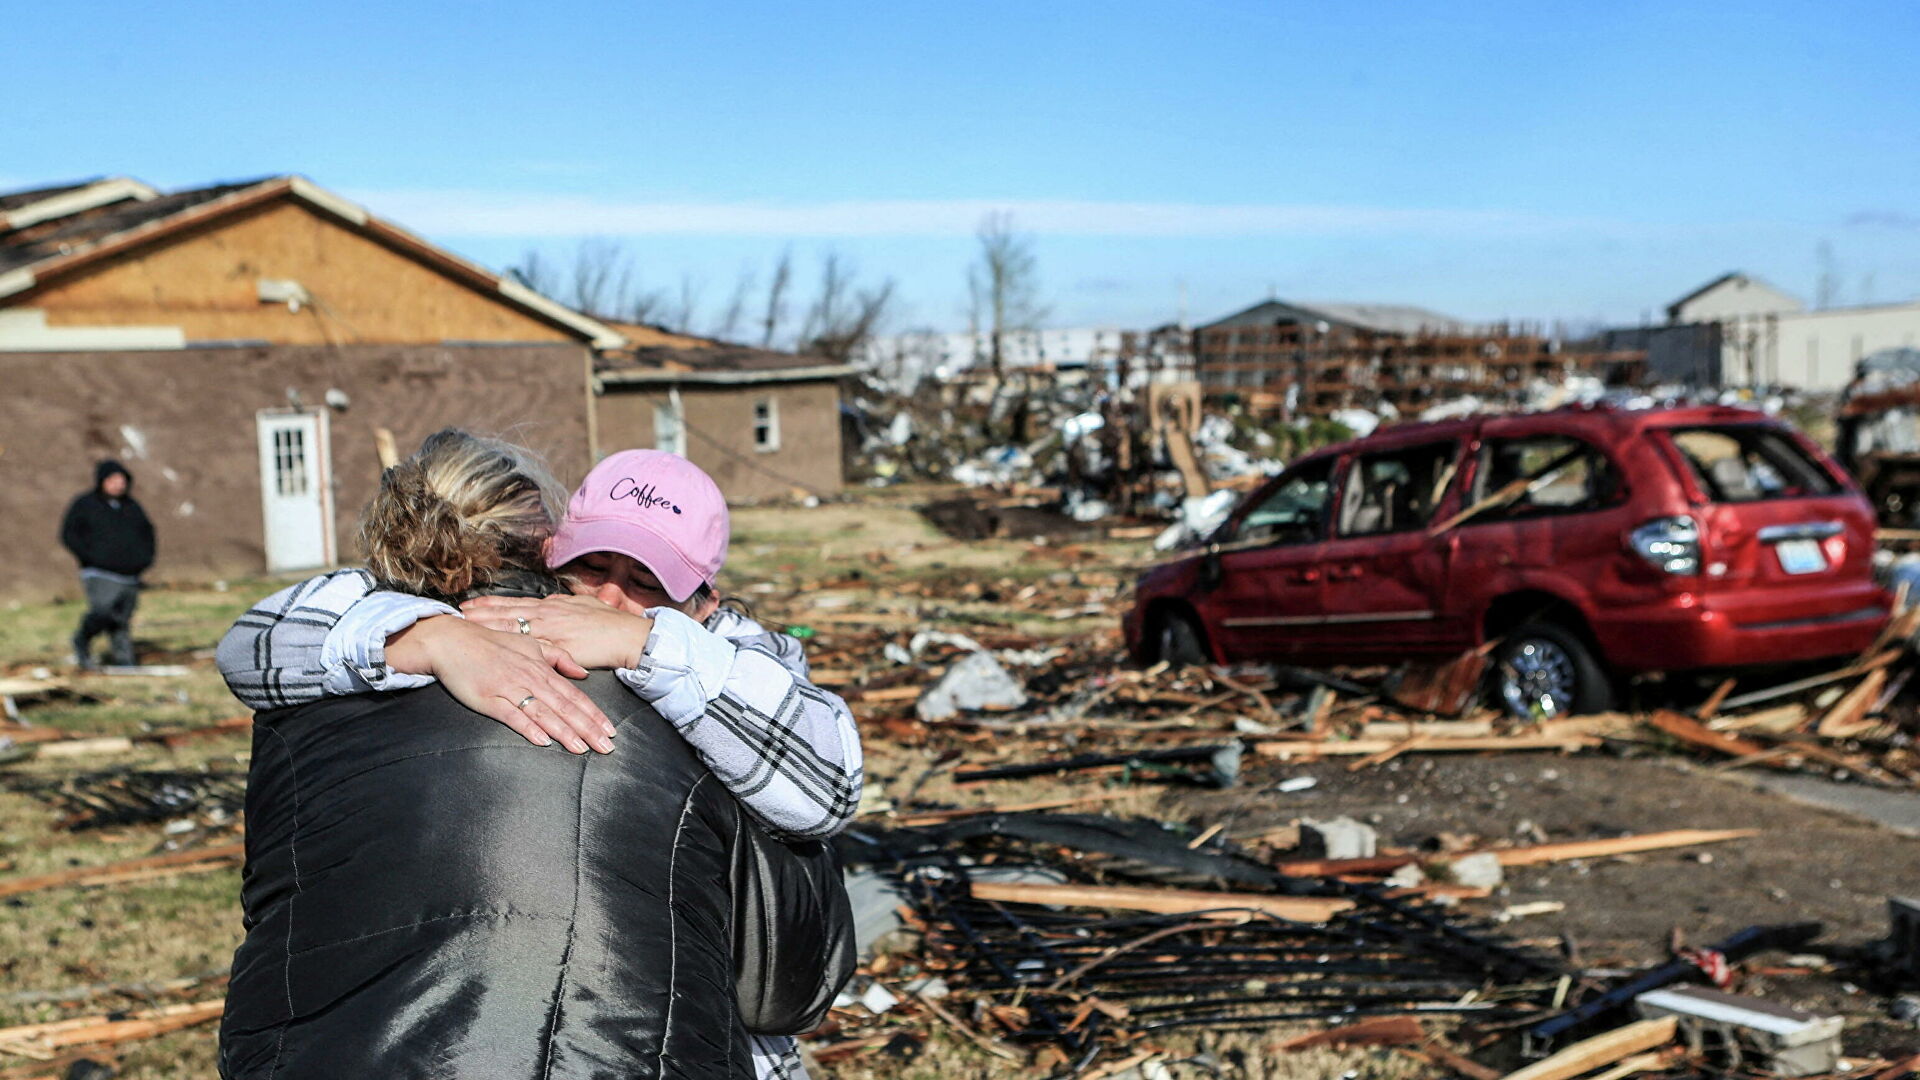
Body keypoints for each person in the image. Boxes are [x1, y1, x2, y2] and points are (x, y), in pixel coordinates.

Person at [218, 430, 850, 1079]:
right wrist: (430, 637)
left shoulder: (729, 668)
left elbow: (830, 786)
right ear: (553, 554)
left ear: (704, 602)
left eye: (646, 584)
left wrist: (646, 644)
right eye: (594, 567)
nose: (608, 599)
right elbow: (246, 645)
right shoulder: (452, 625)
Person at [60, 460, 155, 669]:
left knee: (122, 621)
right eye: (113, 480)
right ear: (102, 481)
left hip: (129, 574)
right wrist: (91, 557)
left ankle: (124, 661)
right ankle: (82, 639)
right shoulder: (85, 504)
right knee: (103, 611)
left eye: (122, 481)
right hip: (100, 572)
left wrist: (144, 559)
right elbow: (69, 534)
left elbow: (148, 534)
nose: (118, 485)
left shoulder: (132, 507)